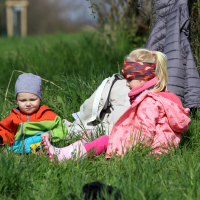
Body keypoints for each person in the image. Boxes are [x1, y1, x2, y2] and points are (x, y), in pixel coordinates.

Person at [42, 49, 191, 161]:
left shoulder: (149, 102)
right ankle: (75, 146)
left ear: (141, 79)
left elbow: (144, 134)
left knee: (105, 140)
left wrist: (127, 148)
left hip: (150, 152)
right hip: (160, 150)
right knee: (93, 134)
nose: (126, 84)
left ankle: (64, 156)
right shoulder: (165, 97)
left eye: (129, 79)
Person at [0, 73, 67, 153]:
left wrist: (50, 134)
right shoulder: (14, 117)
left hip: (42, 145)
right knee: (10, 152)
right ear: (17, 101)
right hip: (19, 148)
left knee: (43, 145)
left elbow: (62, 130)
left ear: (40, 98)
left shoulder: (49, 116)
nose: (28, 104)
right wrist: (1, 139)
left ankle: (42, 153)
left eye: (32, 100)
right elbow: (6, 131)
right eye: (23, 100)